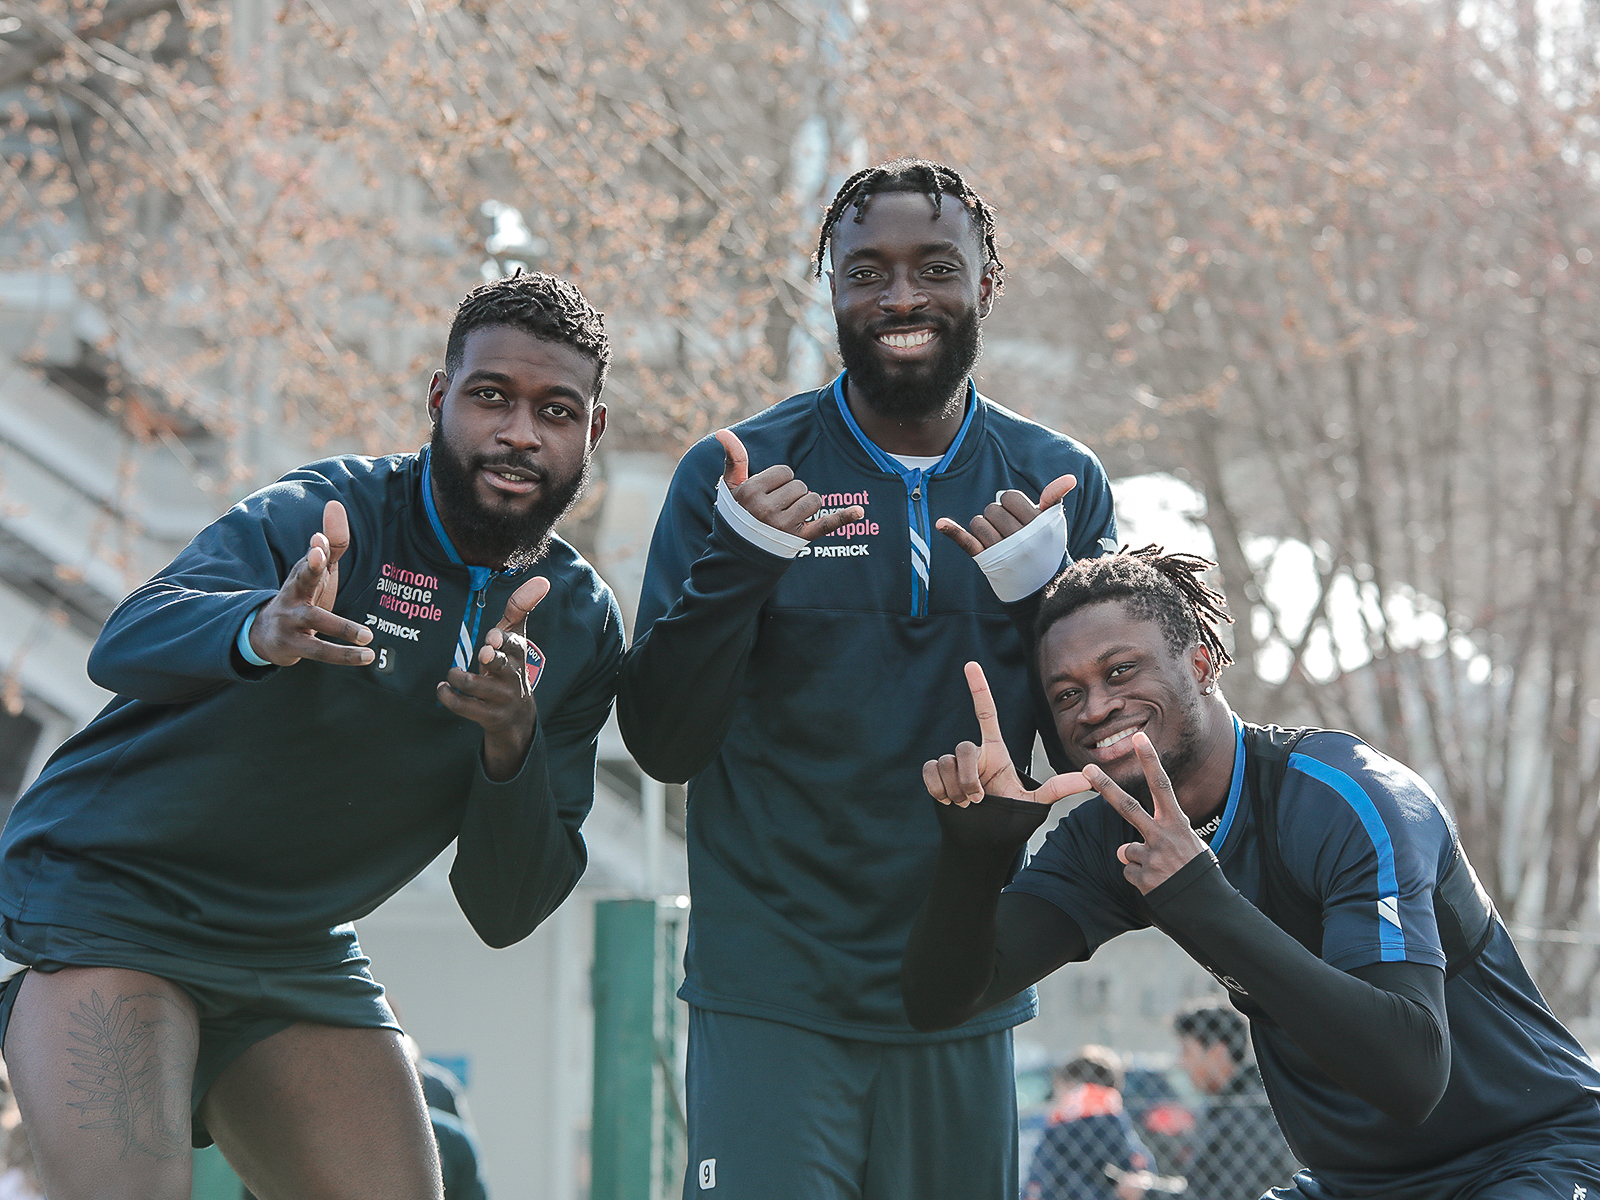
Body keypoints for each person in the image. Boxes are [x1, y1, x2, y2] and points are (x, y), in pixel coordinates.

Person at [0, 271, 624, 1200]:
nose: (520, 432)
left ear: (592, 431)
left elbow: (508, 910)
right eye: (491, 396)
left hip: (293, 944)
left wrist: (510, 746)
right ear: (439, 398)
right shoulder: (330, 515)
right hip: (116, 903)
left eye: (555, 410)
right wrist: (261, 628)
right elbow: (125, 640)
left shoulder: (578, 624)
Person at [618, 158, 1117, 1199]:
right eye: (866, 272)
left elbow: (1107, 753)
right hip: (771, 995)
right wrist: (740, 566)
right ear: (831, 289)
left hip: (965, 985)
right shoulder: (737, 472)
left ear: (985, 285)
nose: (899, 297)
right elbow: (662, 744)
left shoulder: (1056, 484)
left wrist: (1042, 599)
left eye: (935, 267)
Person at [902, 546, 1600, 1200]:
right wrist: (976, 852)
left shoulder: (1345, 798)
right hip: (1353, 1185)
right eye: (1065, 694)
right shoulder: (1113, 837)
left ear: (1202, 664)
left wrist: (1201, 898)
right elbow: (942, 999)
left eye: (1120, 672)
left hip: (1530, 1156)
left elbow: (1410, 1074)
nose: (1095, 707)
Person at [1170, 1003, 1297, 1200]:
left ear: (1217, 1052)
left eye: (1187, 1051)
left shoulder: (1251, 1113)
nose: (1181, 1061)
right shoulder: (1231, 1104)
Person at [1024, 1046, 1151, 1200]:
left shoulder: (1059, 1127)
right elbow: (1140, 1163)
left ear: (1071, 1087)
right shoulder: (1116, 1121)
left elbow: (1038, 1176)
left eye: (1058, 1091)